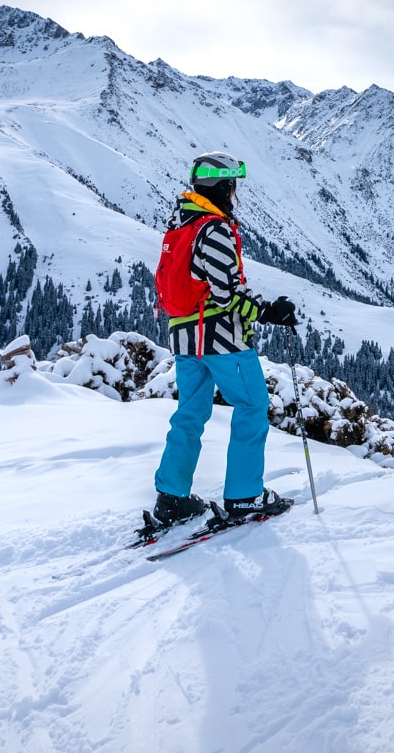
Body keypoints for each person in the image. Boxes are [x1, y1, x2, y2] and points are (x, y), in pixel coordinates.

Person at [151, 150, 300, 526]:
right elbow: (227, 293)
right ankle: (244, 496)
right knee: (251, 406)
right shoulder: (213, 229)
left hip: (185, 339)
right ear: (224, 186)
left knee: (190, 413)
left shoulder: (179, 225)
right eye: (232, 187)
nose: (235, 195)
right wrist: (268, 311)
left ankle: (171, 498)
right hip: (221, 339)